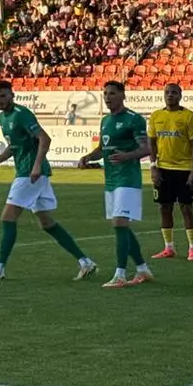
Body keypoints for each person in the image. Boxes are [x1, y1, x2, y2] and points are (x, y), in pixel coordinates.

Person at [0, 80, 97, 281]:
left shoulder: (22, 114)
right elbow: (14, 147)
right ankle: (85, 262)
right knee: (47, 223)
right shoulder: (3, 119)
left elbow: (44, 139)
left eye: (3, 95)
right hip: (31, 173)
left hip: (30, 173)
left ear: (12, 95)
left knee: (7, 217)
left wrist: (37, 165)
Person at [78, 81, 154, 287]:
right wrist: (88, 157)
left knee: (120, 224)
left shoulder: (134, 119)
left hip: (128, 179)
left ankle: (120, 275)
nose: (107, 97)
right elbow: (102, 148)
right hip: (111, 180)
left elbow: (146, 149)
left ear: (122, 95)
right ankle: (142, 269)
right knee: (121, 226)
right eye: (105, 94)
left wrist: (126, 156)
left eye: (112, 93)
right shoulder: (105, 121)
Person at [147, 83, 193, 260]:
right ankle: (168, 247)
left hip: (184, 169)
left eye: (174, 93)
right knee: (164, 208)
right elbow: (152, 143)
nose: (170, 95)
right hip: (163, 169)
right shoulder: (156, 116)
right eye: (167, 92)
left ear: (180, 95)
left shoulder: (189, 116)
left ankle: (192, 248)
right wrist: (153, 167)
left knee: (186, 208)